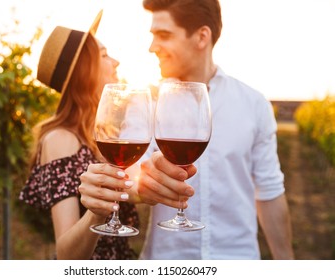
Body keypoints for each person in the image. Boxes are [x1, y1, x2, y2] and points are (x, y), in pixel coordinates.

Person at [79, 0, 294, 260]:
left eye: (164, 35)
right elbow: (134, 172)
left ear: (202, 36)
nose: (151, 47)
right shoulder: (146, 102)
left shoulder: (253, 104)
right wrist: (144, 184)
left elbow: (270, 194)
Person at [19, 11, 140, 260]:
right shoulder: (61, 139)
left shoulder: (103, 134)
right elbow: (66, 256)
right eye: (105, 55)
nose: (116, 62)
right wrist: (97, 212)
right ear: (84, 70)